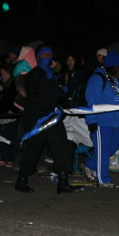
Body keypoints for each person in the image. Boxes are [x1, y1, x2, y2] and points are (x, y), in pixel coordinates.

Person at [14, 48, 84, 194]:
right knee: (33, 150)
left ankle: (63, 182)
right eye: (45, 55)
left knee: (62, 147)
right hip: (37, 118)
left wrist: (59, 92)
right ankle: (21, 180)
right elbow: (34, 96)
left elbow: (58, 95)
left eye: (50, 55)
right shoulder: (34, 74)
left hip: (52, 117)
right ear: (39, 57)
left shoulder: (53, 76)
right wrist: (51, 97)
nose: (47, 57)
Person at [84, 50, 119, 187]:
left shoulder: (116, 80)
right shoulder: (98, 79)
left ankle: (90, 165)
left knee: (113, 148)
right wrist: (91, 121)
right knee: (102, 150)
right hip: (102, 121)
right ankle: (102, 179)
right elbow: (91, 101)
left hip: (115, 122)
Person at [0, 63, 21, 166]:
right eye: (2, 74)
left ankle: (11, 158)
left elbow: (12, 94)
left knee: (11, 135)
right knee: (2, 136)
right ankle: (3, 157)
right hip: (0, 113)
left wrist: (3, 90)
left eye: (5, 74)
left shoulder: (14, 82)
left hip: (10, 113)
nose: (3, 76)